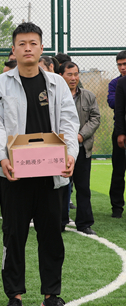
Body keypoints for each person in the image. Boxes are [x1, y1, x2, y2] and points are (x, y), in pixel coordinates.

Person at [0, 22, 79, 306]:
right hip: (15, 173)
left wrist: (71, 154)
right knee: (14, 236)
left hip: (50, 173)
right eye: (22, 43)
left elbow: (69, 121)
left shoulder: (57, 83)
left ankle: (52, 295)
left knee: (51, 236)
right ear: (13, 49)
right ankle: (14, 297)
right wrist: (2, 158)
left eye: (33, 43)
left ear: (41, 48)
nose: (27, 48)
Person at [59, 61, 100, 235]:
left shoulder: (88, 96)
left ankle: (84, 224)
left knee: (83, 188)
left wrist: (80, 136)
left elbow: (95, 118)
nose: (73, 78)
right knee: (61, 187)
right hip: (61, 150)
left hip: (83, 149)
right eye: (69, 74)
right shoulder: (54, 96)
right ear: (61, 76)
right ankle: (60, 222)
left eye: (76, 74)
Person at [107, 50, 126, 219]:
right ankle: (117, 207)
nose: (122, 68)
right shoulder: (116, 83)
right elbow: (114, 103)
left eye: (125, 64)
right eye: (119, 65)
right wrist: (120, 132)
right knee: (118, 170)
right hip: (121, 130)